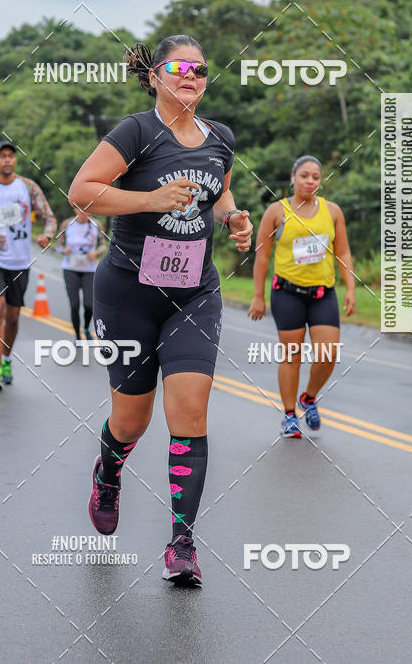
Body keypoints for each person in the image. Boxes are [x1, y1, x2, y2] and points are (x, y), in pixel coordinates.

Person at [69, 35, 253, 587]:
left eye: (200, 67)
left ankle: (182, 542)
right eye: (180, 67)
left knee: (190, 410)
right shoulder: (137, 132)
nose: (192, 76)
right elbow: (82, 192)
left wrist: (234, 219)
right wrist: (150, 198)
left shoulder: (220, 137)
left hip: (195, 291)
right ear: (155, 76)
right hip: (129, 291)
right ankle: (108, 473)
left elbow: (218, 193)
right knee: (132, 419)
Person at [248, 155, 355, 437]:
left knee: (328, 353)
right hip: (287, 293)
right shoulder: (276, 211)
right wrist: (258, 296)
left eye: (316, 177)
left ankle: (308, 397)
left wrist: (351, 288)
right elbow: (262, 256)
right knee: (292, 355)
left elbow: (343, 251)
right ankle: (289, 415)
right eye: (305, 175)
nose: (310, 181)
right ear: (293, 177)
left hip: (323, 293)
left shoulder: (332, 211)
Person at [0, 140, 56, 392]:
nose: (7, 160)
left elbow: (49, 216)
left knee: (13, 317)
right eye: (2, 156)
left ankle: (6, 360)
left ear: (15, 160)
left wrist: (46, 235)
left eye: (11, 156)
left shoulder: (27, 187)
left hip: (19, 261)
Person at [56, 208, 106, 341]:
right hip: (70, 268)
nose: (83, 212)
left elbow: (103, 245)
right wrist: (63, 250)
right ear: (75, 209)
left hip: (89, 269)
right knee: (74, 304)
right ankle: (77, 335)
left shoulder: (96, 224)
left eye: (87, 209)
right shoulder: (67, 224)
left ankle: (85, 328)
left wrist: (95, 253)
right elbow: (58, 244)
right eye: (80, 209)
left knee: (89, 304)